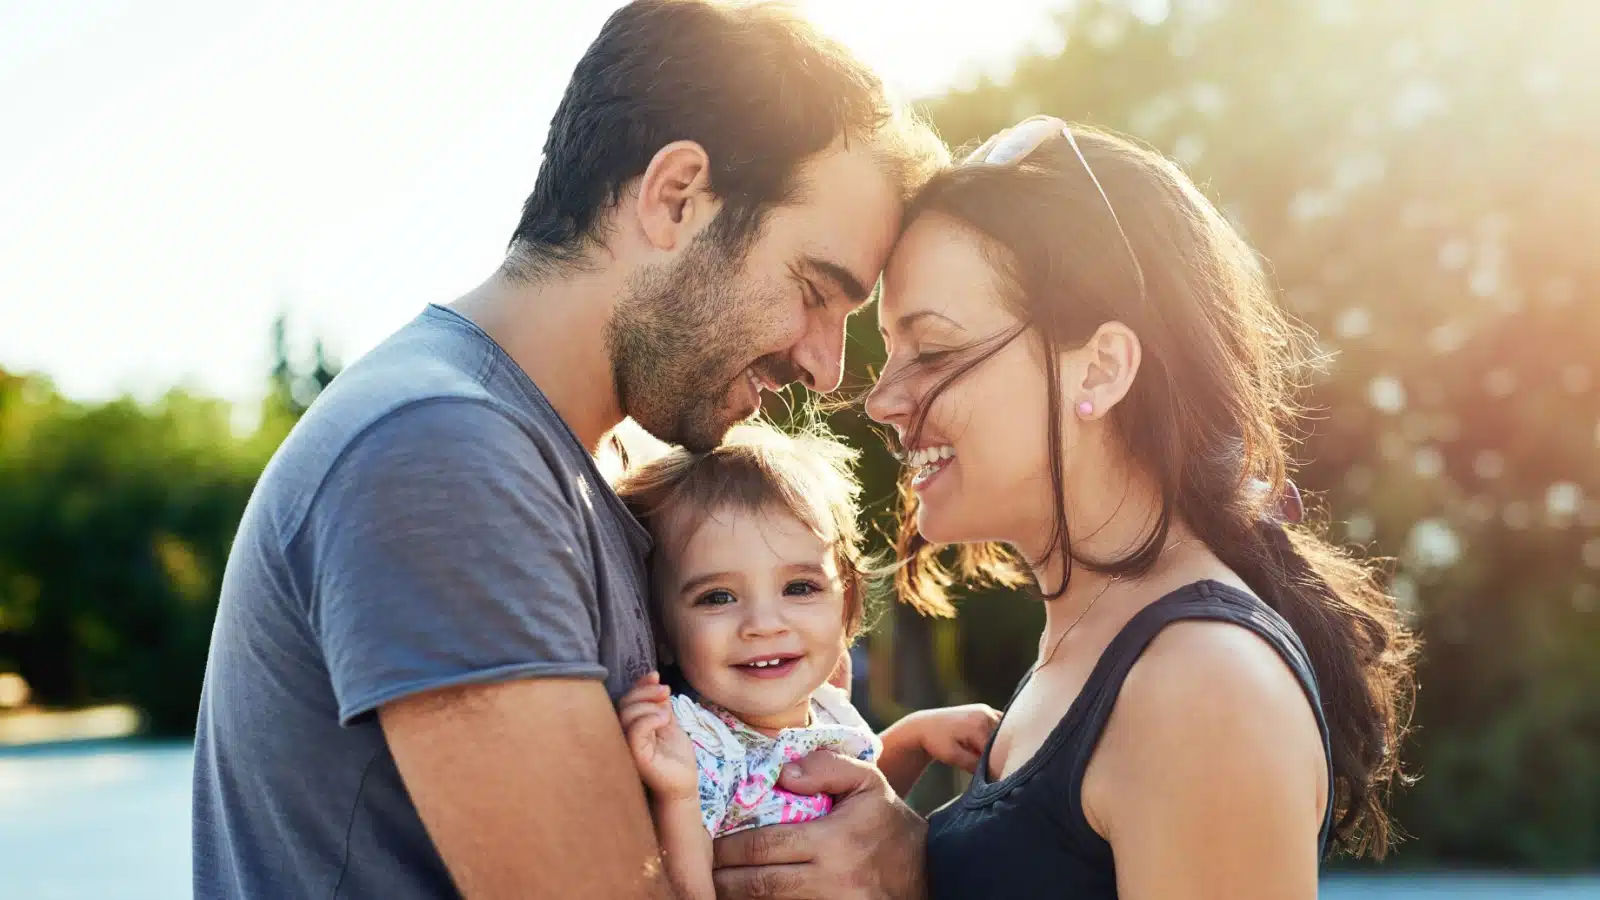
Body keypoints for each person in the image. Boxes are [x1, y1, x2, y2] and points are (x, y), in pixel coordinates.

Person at [189, 1, 945, 896]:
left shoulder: (565, 470)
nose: (826, 369)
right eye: (816, 291)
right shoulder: (443, 454)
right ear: (678, 198)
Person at [855, 116, 1419, 898]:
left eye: (936, 351)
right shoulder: (1094, 636)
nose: (882, 400)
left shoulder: (1201, 684)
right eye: (889, 351)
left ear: (1100, 370)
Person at [611, 423, 1001, 899]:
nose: (764, 623)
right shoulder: (695, 749)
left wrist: (915, 738)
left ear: (847, 605)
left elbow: (855, 810)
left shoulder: (827, 706)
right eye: (717, 597)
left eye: (799, 588)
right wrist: (678, 798)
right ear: (663, 632)